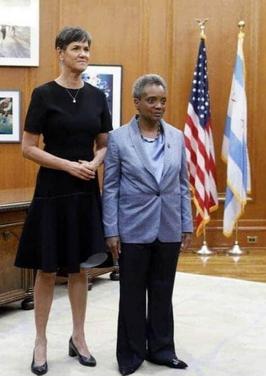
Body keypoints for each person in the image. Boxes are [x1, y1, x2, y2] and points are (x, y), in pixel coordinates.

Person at [15, 26, 112, 375]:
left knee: (81, 268)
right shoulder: (43, 94)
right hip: (53, 191)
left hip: (85, 190)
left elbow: (104, 144)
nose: (83, 53)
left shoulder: (98, 97)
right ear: (59, 51)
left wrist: (93, 163)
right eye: (76, 48)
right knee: (46, 268)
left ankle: (79, 337)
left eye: (87, 48)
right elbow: (27, 148)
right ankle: (40, 341)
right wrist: (68, 165)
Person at [102, 74, 193, 376]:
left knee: (162, 291)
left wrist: (186, 223)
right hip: (131, 228)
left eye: (163, 100)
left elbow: (182, 184)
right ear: (137, 102)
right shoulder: (118, 139)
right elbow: (111, 187)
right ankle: (130, 355)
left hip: (168, 225)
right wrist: (111, 230)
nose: (158, 106)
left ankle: (162, 350)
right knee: (131, 292)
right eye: (151, 100)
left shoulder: (178, 137)